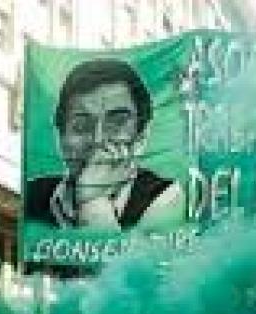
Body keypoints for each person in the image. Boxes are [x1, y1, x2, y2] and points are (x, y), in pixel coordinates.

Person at [25, 58, 184, 231]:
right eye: (81, 126)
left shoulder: (166, 197)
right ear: (61, 137)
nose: (98, 139)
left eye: (117, 123)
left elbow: (115, 251)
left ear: (141, 136)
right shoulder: (30, 196)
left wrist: (92, 200)